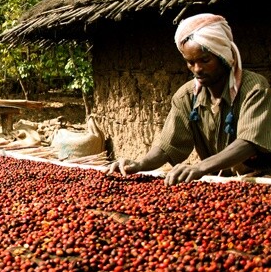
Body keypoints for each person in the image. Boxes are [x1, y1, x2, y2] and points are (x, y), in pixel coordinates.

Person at [108, 13, 271, 185]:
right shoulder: (187, 96)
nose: (197, 69)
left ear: (223, 56)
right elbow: (167, 146)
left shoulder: (254, 88)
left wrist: (200, 167)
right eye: (190, 62)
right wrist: (140, 164)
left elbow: (248, 142)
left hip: (260, 180)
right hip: (217, 182)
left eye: (205, 60)